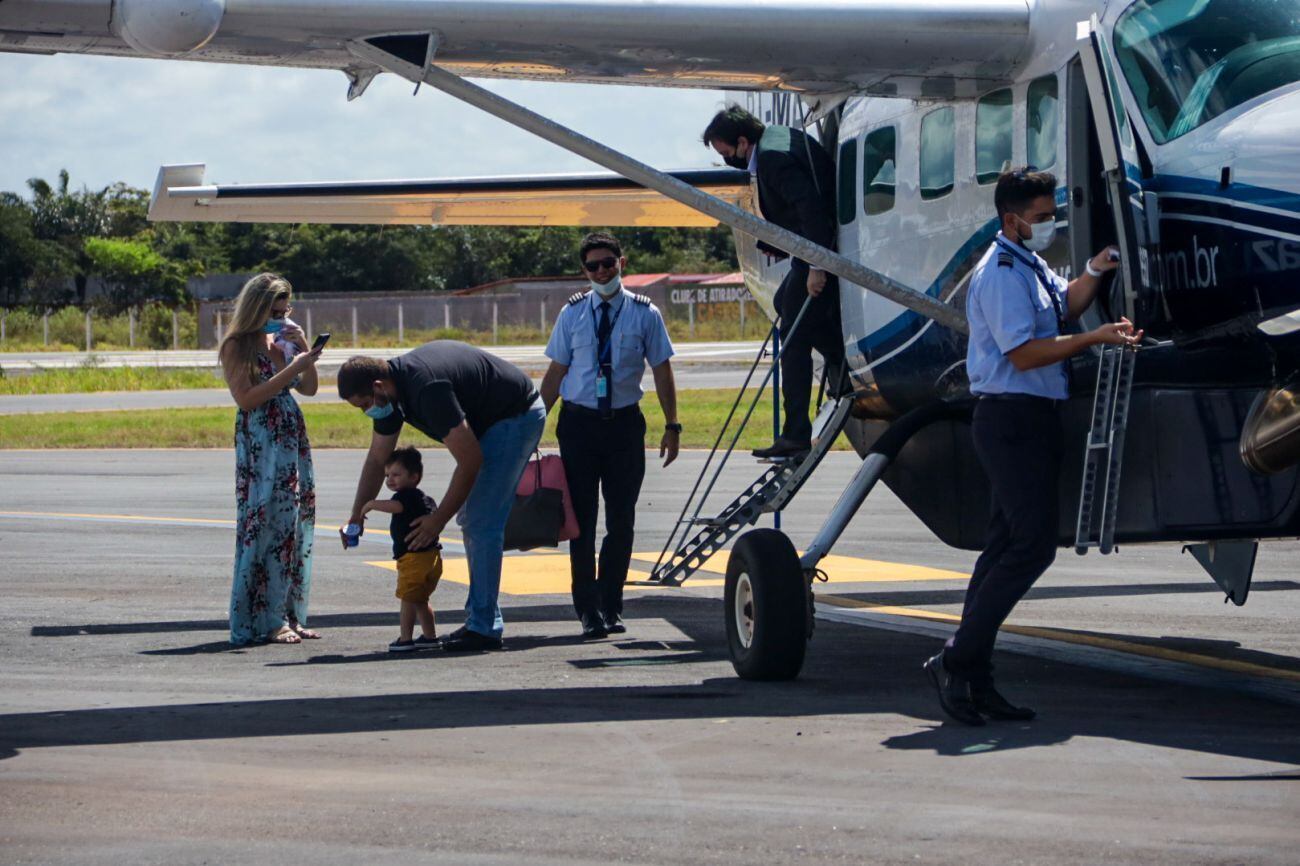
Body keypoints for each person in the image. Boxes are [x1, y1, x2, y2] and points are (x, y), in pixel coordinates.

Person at [924, 167, 1141, 725]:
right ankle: (956, 659)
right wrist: (1093, 338)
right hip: (1010, 419)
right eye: (1042, 217)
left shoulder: (1027, 262)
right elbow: (1024, 353)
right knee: (1031, 546)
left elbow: (1060, 308)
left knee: (1002, 547)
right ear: (1011, 219)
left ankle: (975, 678)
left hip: (1034, 417)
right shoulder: (997, 273)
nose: (1049, 225)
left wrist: (1094, 271)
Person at [338, 341, 544, 652]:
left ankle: (484, 627)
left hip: (515, 415)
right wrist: (357, 514)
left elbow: (471, 460)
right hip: (490, 419)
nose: (367, 411)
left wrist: (437, 520)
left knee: (481, 521)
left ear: (378, 386)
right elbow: (376, 460)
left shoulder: (426, 390)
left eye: (364, 403)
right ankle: (482, 618)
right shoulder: (391, 397)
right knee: (473, 519)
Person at [540, 232, 680, 638]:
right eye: (593, 266)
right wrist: (530, 425)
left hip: (623, 426)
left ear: (623, 262)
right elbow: (556, 373)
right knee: (581, 521)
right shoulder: (572, 314)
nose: (601, 271)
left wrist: (672, 424)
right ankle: (587, 609)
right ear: (583, 271)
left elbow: (663, 370)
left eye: (608, 263)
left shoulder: (644, 313)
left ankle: (612, 604)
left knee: (622, 520)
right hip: (579, 425)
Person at [702, 104, 847, 459]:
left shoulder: (771, 159)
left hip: (820, 248)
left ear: (741, 140)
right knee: (785, 305)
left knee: (793, 340)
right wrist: (781, 244)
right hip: (810, 246)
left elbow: (811, 207)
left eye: (726, 153)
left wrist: (817, 265)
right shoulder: (779, 137)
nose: (727, 160)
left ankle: (796, 433)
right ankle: (839, 362)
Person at [219, 273, 323, 646]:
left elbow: (309, 388)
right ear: (257, 308)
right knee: (263, 526)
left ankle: (286, 614)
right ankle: (263, 618)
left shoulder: (282, 341)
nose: (281, 317)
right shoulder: (236, 345)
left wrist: (304, 353)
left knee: (290, 527)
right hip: (261, 442)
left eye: (286, 310)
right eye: (274, 311)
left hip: (289, 441)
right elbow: (246, 398)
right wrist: (289, 372)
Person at [358, 446, 444, 653]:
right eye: (388, 475)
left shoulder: (405, 497)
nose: (390, 480)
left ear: (414, 477)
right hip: (432, 559)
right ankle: (430, 636)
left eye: (396, 475)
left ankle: (405, 639)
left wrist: (370, 503)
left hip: (413, 560)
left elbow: (396, 507)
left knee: (407, 598)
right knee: (420, 600)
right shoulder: (426, 499)